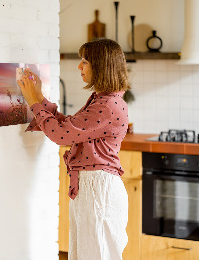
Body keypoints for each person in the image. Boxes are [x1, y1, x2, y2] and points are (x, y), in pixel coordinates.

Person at [18, 38, 130, 260]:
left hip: (98, 189)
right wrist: (39, 98)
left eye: (85, 61)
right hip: (93, 187)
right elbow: (69, 127)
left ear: (101, 66)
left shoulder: (107, 105)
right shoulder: (103, 100)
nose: (79, 66)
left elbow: (61, 135)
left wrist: (33, 102)